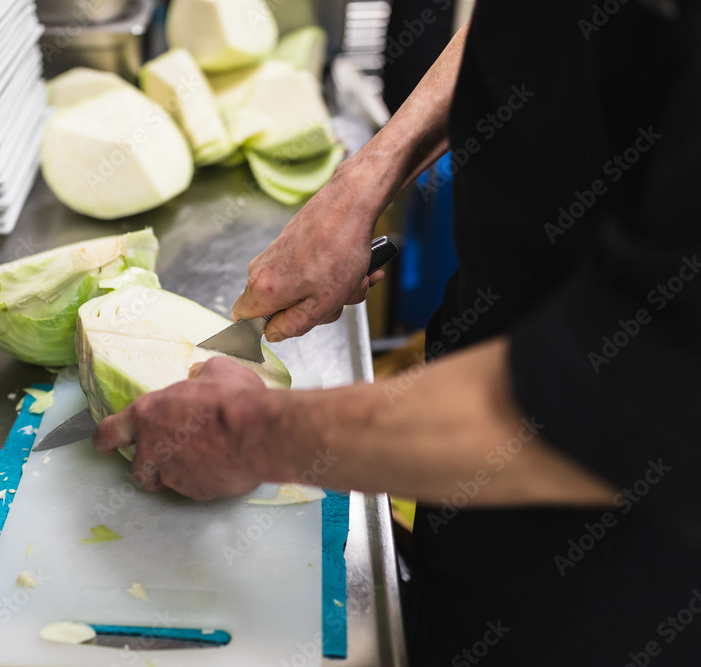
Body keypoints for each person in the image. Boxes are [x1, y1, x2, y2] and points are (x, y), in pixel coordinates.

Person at [94, 1, 701, 664]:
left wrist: (247, 434)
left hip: (615, 580)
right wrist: (366, 178)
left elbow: (626, 400)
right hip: (469, 449)